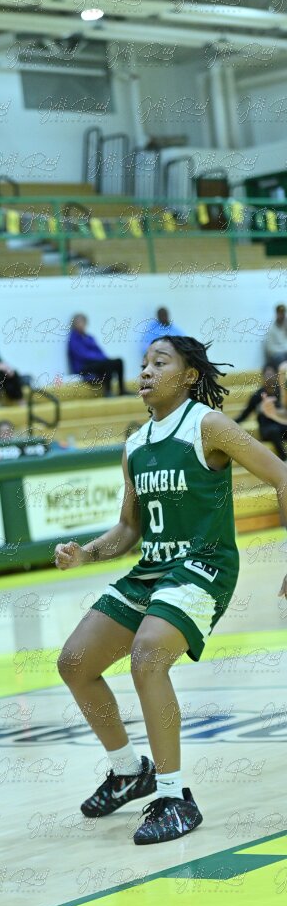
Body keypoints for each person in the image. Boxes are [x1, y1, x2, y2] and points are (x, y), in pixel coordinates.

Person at [55, 336, 287, 845]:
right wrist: (85, 553)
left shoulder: (208, 424)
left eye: (160, 363)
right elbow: (128, 529)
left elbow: (282, 476)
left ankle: (173, 795)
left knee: (148, 655)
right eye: (143, 364)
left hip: (204, 566)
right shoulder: (135, 445)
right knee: (74, 662)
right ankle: (127, 771)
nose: (146, 371)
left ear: (188, 376)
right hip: (153, 570)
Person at [234, 363, 287, 460]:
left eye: (271, 375)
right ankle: (284, 458)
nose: (269, 378)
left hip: (281, 426)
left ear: (276, 376)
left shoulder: (282, 393)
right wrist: (232, 422)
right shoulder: (257, 395)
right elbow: (245, 414)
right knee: (273, 430)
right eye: (266, 375)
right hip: (267, 429)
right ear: (263, 377)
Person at [67, 314, 127, 397]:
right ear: (74, 324)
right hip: (83, 367)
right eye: (78, 322)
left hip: (95, 363)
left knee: (118, 361)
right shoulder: (73, 339)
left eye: (83, 322)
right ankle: (108, 392)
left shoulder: (89, 337)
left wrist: (104, 359)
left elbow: (100, 352)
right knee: (107, 363)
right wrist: (101, 359)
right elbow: (83, 355)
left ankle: (122, 390)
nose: (81, 324)